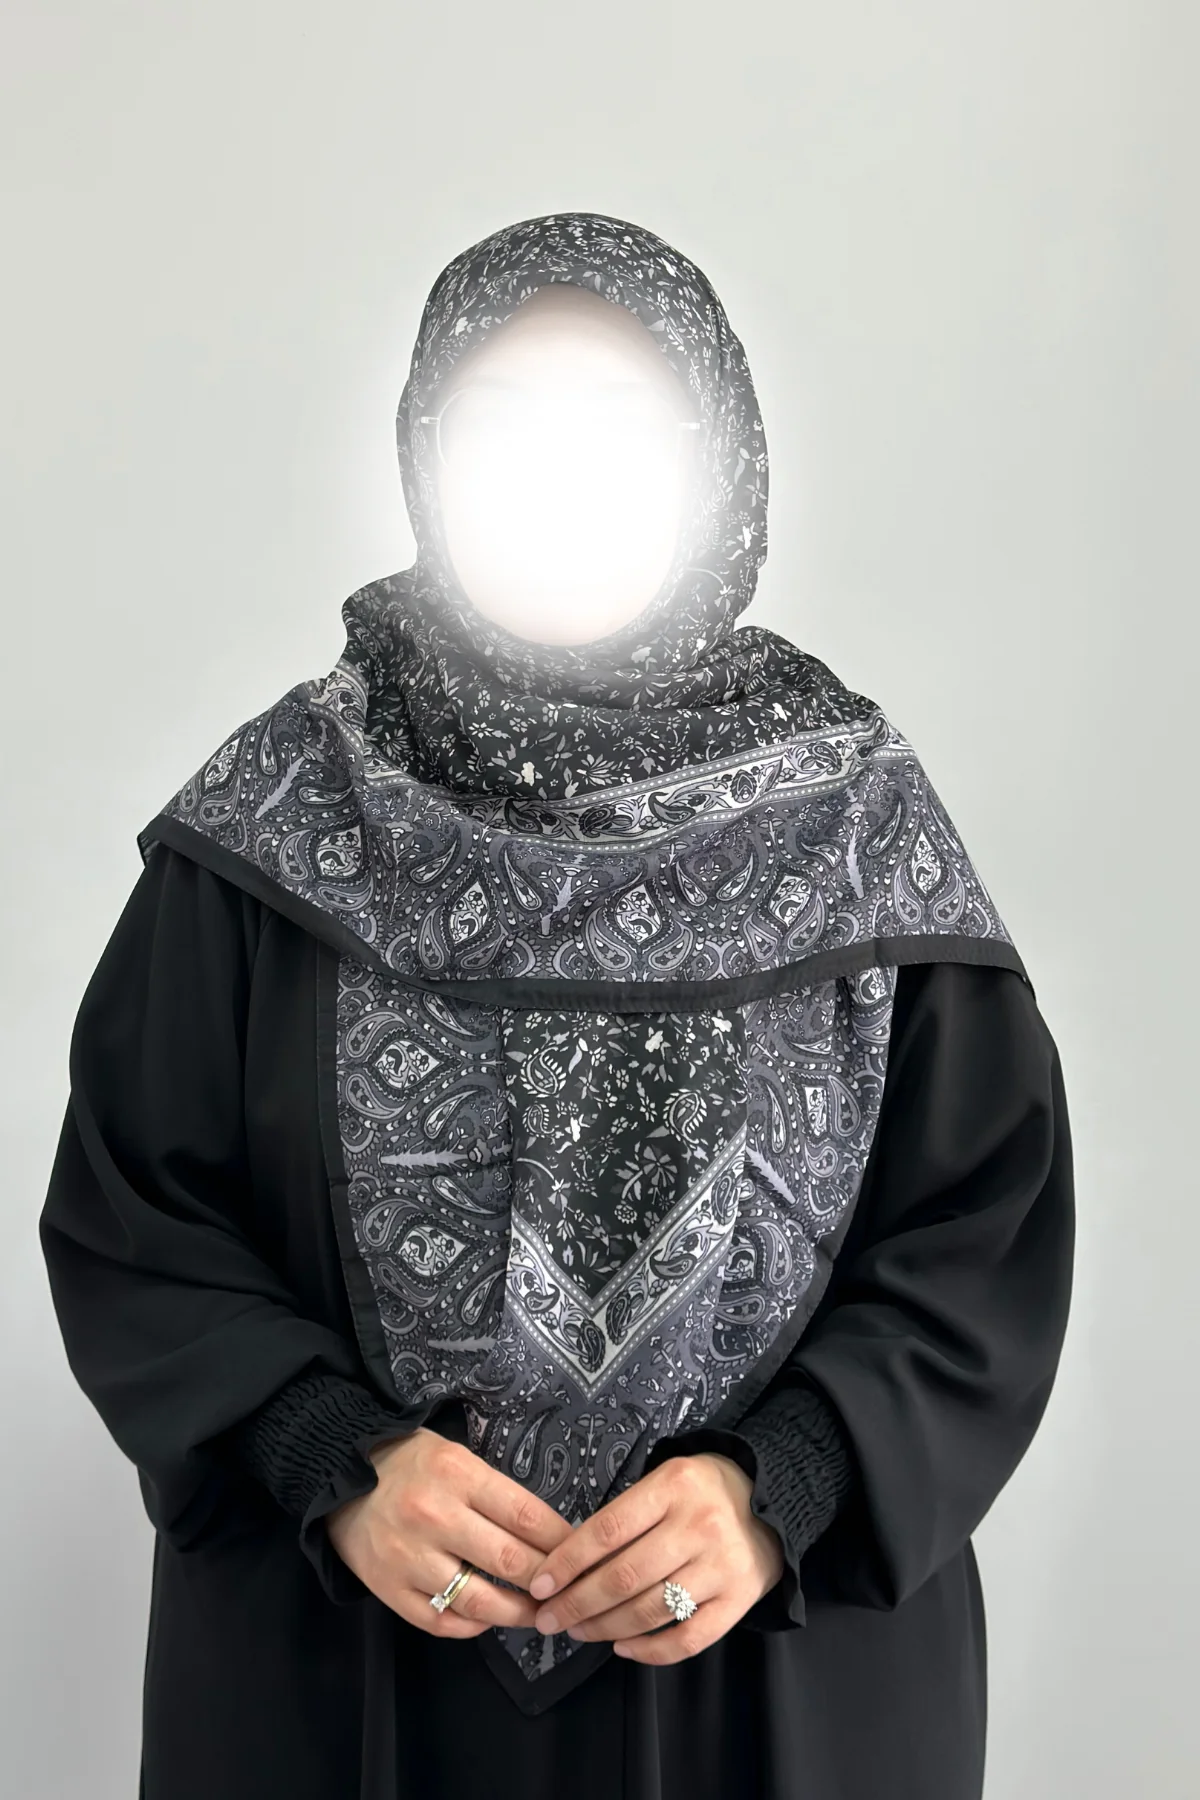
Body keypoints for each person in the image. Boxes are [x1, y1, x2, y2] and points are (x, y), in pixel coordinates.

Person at [39, 212, 1075, 1800]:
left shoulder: (860, 829)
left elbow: (981, 1240)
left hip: (771, 1678)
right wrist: (324, 1452)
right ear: (421, 452)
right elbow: (136, 1218)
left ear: (715, 457)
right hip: (346, 1664)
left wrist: (788, 1483)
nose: (555, 473)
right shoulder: (279, 820)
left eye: (618, 429)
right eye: (500, 425)